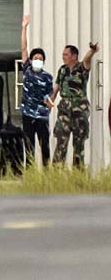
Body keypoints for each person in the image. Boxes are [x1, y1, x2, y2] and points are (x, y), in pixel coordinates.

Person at [51, 41, 100, 167]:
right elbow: (56, 88)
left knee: (79, 143)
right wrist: (50, 100)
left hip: (79, 110)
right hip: (64, 110)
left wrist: (92, 51)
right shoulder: (62, 70)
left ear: (74, 56)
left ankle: (78, 175)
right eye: (63, 54)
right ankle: (56, 173)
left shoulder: (81, 68)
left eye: (66, 54)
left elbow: (87, 60)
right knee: (61, 140)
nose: (63, 57)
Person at [19, 15, 54, 166]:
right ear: (31, 60)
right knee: (29, 145)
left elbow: (49, 94)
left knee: (44, 145)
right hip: (27, 113)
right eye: (35, 58)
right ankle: (31, 171)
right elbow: (23, 49)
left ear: (43, 61)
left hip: (42, 114)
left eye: (40, 58)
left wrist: (49, 103)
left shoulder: (47, 77)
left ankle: (47, 172)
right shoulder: (27, 70)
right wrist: (24, 28)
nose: (37, 60)